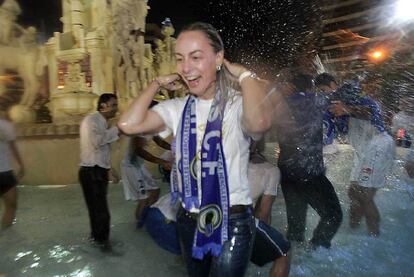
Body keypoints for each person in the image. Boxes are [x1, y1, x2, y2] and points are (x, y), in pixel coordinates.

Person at [118, 22, 272, 276]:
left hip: (232, 221)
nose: (186, 67)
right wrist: (156, 83)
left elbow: (260, 123)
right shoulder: (177, 108)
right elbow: (128, 124)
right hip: (188, 219)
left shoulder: (236, 105)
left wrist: (244, 75)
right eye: (179, 59)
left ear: (219, 58)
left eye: (196, 57)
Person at [316, 73, 395, 236]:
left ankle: (375, 236)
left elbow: (369, 111)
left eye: (324, 89)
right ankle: (353, 232)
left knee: (364, 194)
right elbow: (328, 132)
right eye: (321, 91)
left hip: (379, 144)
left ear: (332, 84)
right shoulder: (329, 104)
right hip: (364, 151)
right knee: (353, 192)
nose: (324, 93)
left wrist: (347, 109)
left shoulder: (351, 93)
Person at [272, 72, 343, 249]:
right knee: (334, 215)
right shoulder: (315, 100)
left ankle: (293, 262)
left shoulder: (280, 105)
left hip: (287, 172)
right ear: (311, 87)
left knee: (296, 226)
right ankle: (315, 249)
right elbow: (342, 96)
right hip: (309, 172)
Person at [79, 93, 119, 250]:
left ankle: (97, 238)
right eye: (113, 105)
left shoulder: (100, 122)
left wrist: (109, 170)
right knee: (100, 211)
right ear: (103, 106)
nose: (116, 108)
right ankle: (103, 244)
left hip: (95, 171)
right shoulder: (92, 120)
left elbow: (100, 152)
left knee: (97, 209)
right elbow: (97, 142)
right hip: (91, 173)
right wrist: (118, 129)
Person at [121, 134, 171, 226]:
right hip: (131, 167)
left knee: (155, 190)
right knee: (143, 199)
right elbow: (139, 151)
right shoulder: (139, 130)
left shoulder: (152, 128)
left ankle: (147, 218)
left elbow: (160, 142)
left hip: (139, 166)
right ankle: (140, 224)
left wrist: (174, 148)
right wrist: (162, 162)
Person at [0, 112, 24, 230]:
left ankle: (5, 237)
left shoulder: (6, 125)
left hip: (5, 171)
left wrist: (21, 164)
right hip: (5, 172)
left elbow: (13, 146)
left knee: (12, 205)